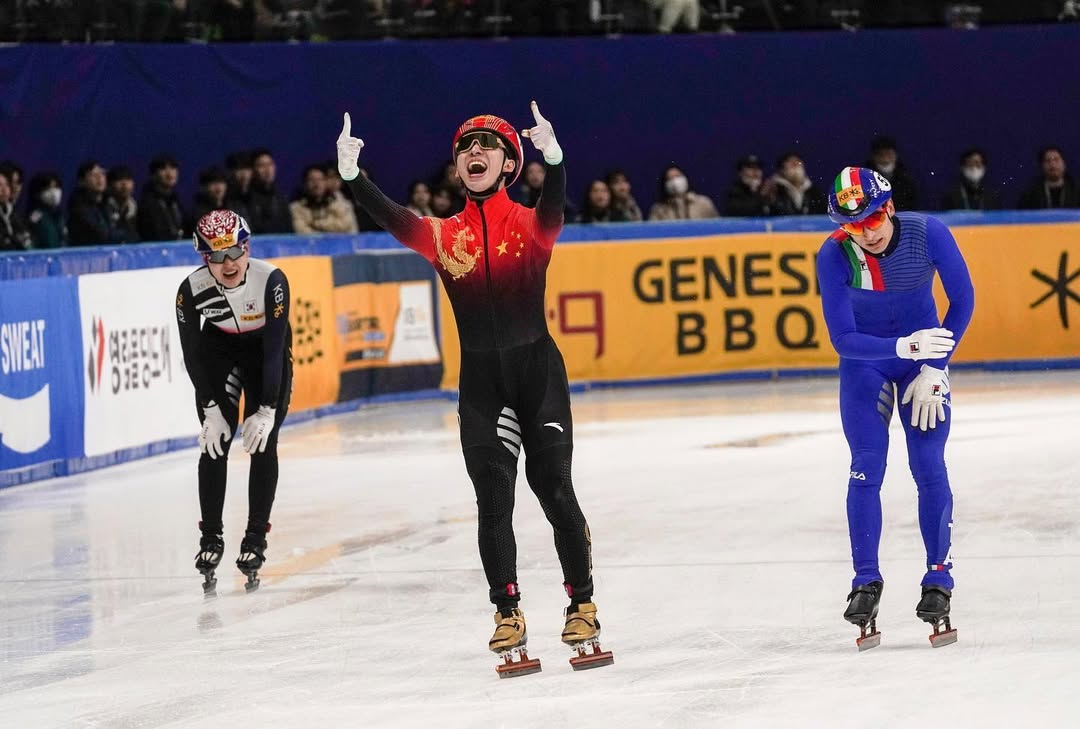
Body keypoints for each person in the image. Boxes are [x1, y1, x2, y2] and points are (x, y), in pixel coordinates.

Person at [336, 103, 611, 676]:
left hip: (538, 377)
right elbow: (393, 218)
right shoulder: (444, 236)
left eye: (487, 145)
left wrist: (555, 158)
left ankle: (582, 603)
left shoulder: (532, 226)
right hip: (484, 387)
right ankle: (507, 612)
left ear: (509, 164)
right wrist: (352, 176)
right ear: (458, 166)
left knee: (554, 489)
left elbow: (555, 203)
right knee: (493, 498)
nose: (474, 153)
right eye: (465, 147)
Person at [816, 167, 974, 650]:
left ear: (889, 208)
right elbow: (843, 339)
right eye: (854, 225)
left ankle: (938, 576)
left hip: (923, 363)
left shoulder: (928, 233)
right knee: (866, 467)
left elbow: (963, 299)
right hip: (869, 366)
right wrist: (904, 347)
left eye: (873, 219)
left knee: (928, 464)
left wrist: (937, 367)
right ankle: (865, 580)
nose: (867, 232)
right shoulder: (834, 254)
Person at [175, 209, 293, 596]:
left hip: (264, 356)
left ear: (248, 248)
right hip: (220, 353)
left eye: (235, 253)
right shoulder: (190, 290)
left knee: (262, 441)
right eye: (216, 256)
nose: (228, 265)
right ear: (203, 257)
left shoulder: (271, 280)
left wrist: (267, 408)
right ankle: (210, 537)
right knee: (215, 441)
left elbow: (274, 350)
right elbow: (193, 354)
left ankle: (255, 538)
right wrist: (209, 408)